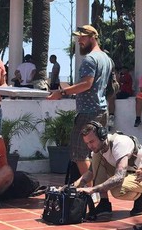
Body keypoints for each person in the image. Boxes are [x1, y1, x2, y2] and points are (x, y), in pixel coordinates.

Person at [47, 25, 112, 178]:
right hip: (102, 110)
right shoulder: (106, 59)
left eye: (82, 37)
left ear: (92, 37)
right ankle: (100, 188)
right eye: (78, 37)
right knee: (97, 152)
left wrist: (62, 92)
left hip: (88, 113)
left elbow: (86, 84)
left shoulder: (90, 59)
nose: (79, 41)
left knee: (79, 154)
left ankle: (90, 189)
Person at [73, 122, 142, 219]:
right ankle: (104, 204)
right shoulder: (99, 149)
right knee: (97, 156)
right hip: (127, 173)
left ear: (102, 135)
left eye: (92, 141)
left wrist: (92, 189)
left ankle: (141, 197)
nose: (90, 146)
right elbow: (90, 172)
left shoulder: (119, 143)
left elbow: (119, 178)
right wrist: (72, 187)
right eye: (87, 143)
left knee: (117, 190)